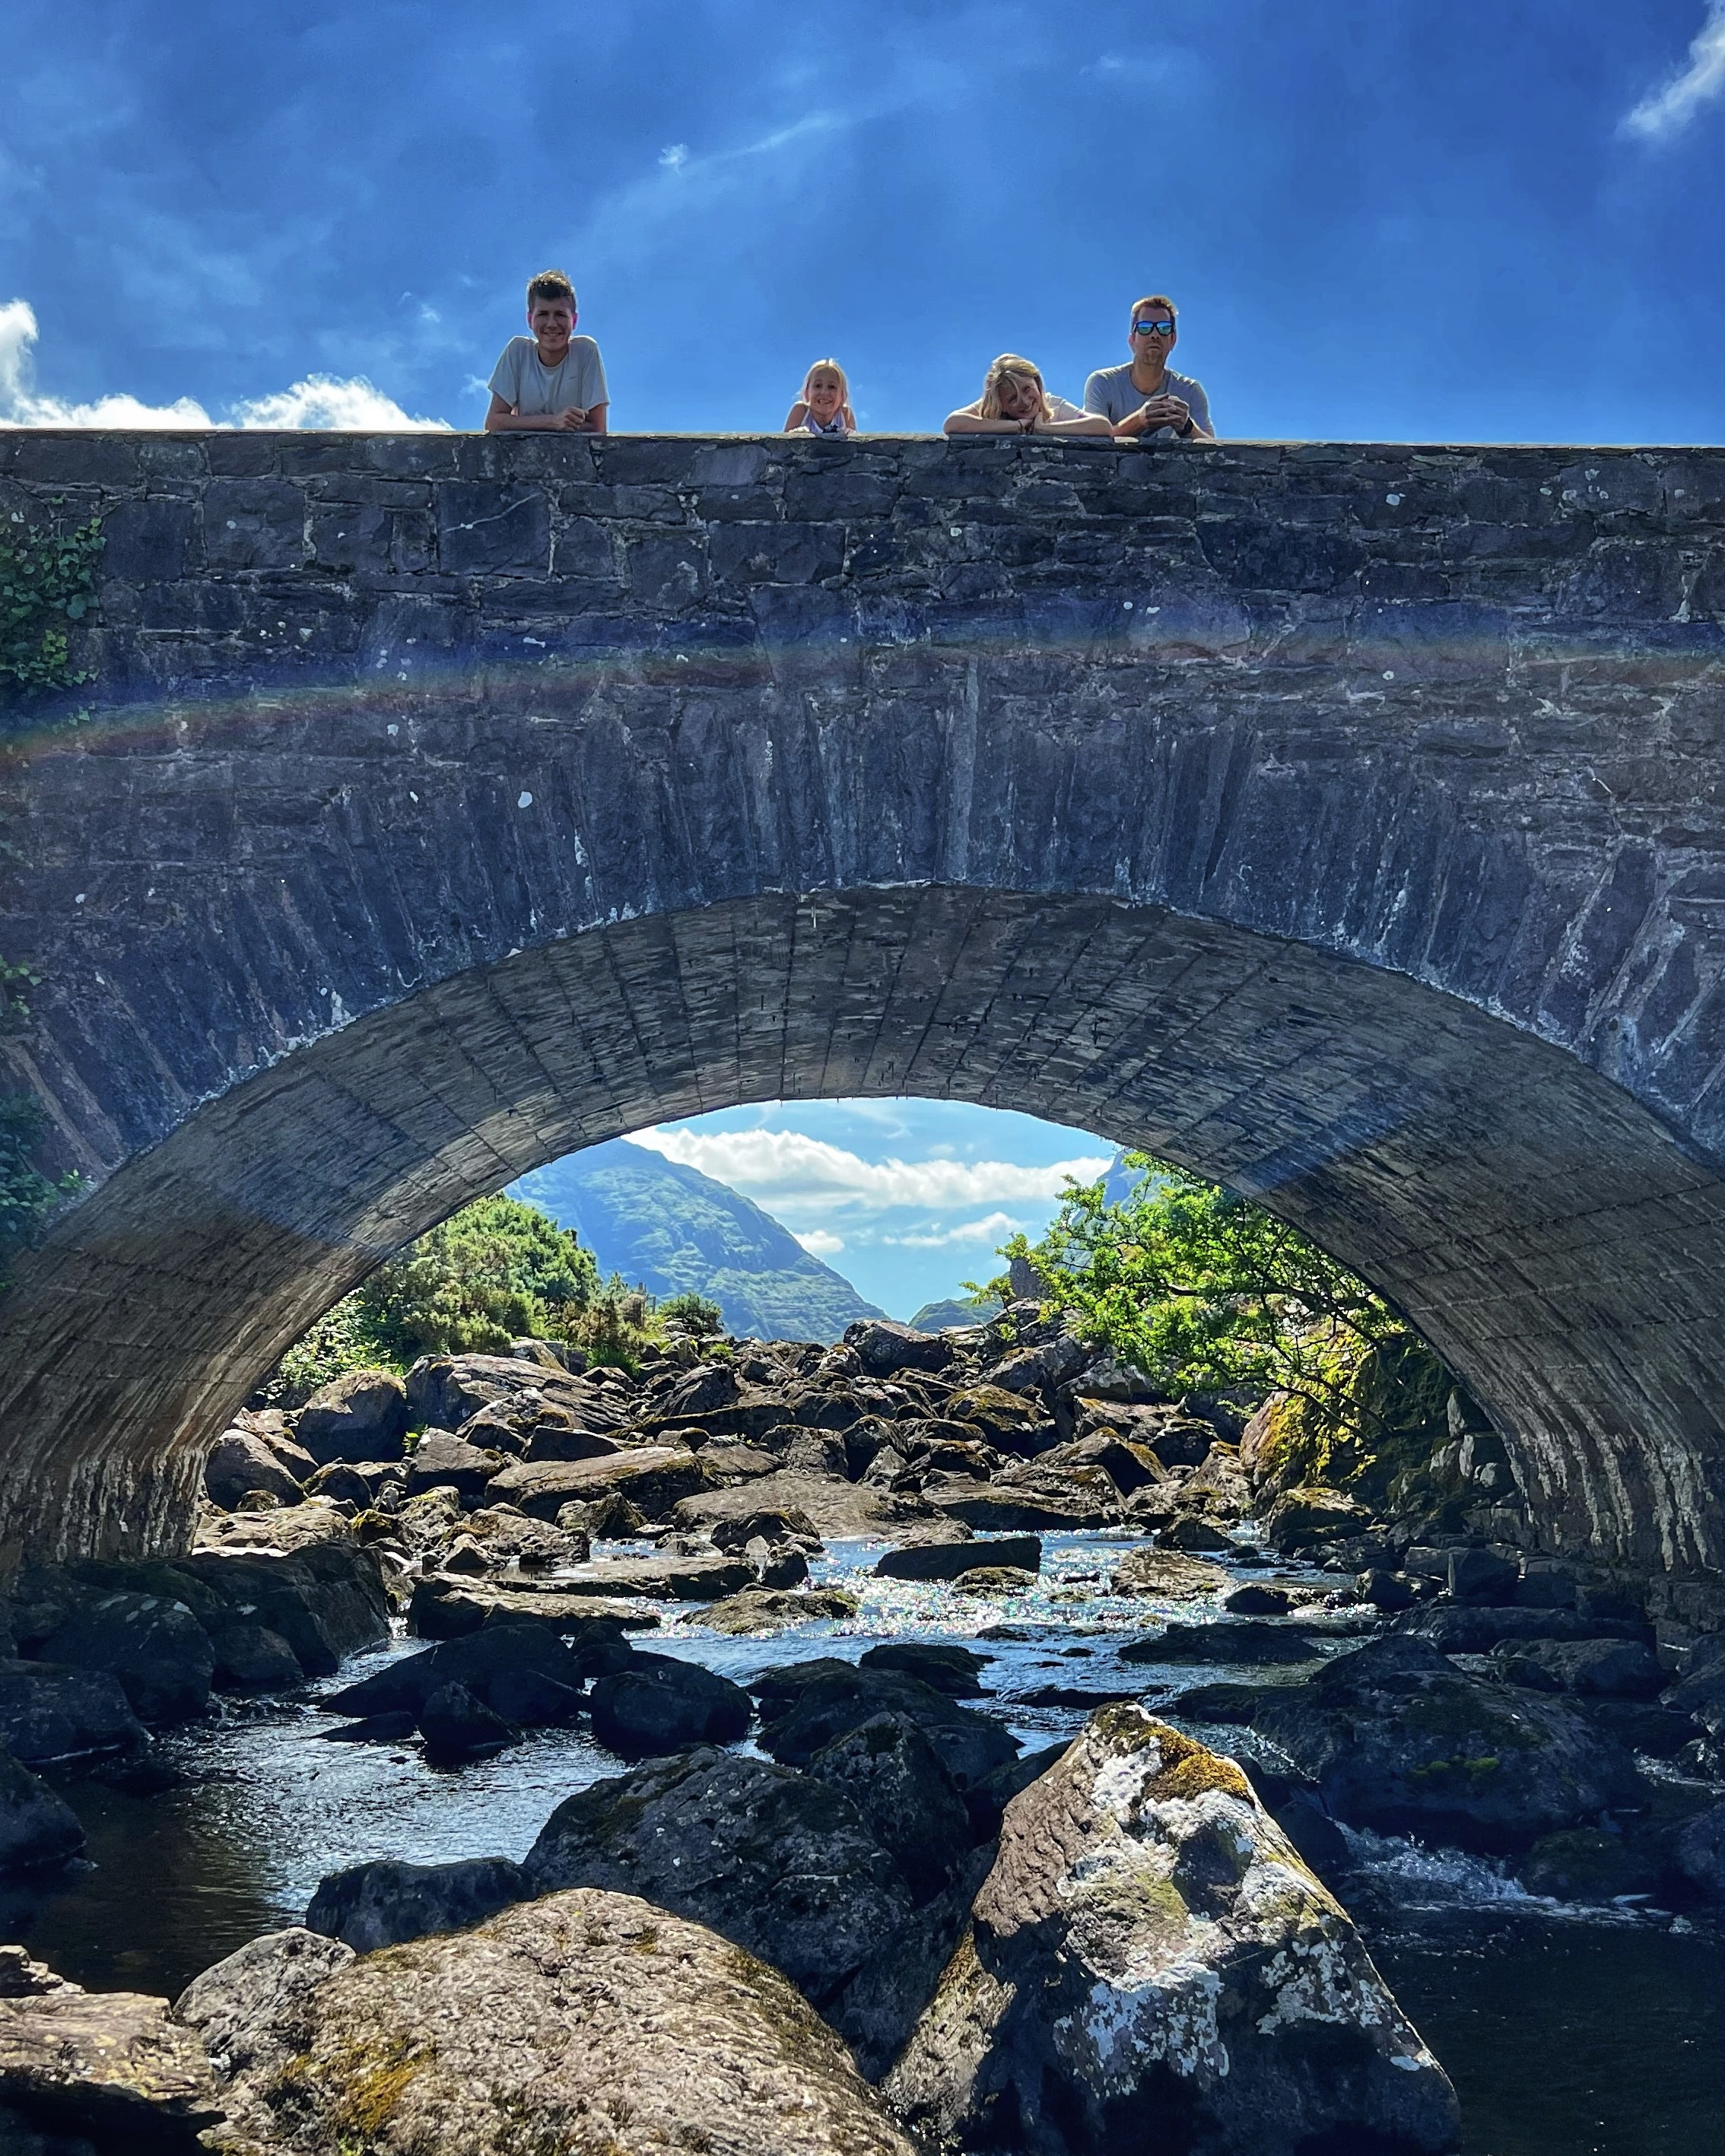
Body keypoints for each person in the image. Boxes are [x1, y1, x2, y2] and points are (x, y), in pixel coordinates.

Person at [485, 270, 608, 433]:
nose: (552, 324)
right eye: (543, 314)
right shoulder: (518, 351)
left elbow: (598, 428)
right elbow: (493, 422)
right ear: (530, 320)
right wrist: (553, 422)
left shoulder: (585, 351)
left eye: (560, 315)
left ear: (574, 321)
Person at [1083, 297, 1214, 441]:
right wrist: (1139, 421)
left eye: (1164, 328)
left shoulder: (1191, 391)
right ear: (1132, 340)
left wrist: (1187, 426)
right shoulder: (1103, 383)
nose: (1155, 335)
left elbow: (1213, 446)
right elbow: (1092, 441)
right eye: (1145, 327)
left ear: (1173, 340)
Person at [943, 354, 1113, 437]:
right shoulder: (990, 407)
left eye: (1027, 389)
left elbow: (1102, 426)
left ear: (1037, 384)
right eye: (1012, 399)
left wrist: (1045, 429)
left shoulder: (1054, 405)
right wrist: (1016, 426)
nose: (1024, 402)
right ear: (1001, 404)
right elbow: (953, 423)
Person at [784, 359, 856, 435]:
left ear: (843, 395)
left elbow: (855, 441)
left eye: (832, 387)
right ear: (807, 392)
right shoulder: (801, 412)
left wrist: (850, 434)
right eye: (818, 386)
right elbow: (784, 440)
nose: (824, 392)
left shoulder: (845, 415)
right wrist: (797, 434)